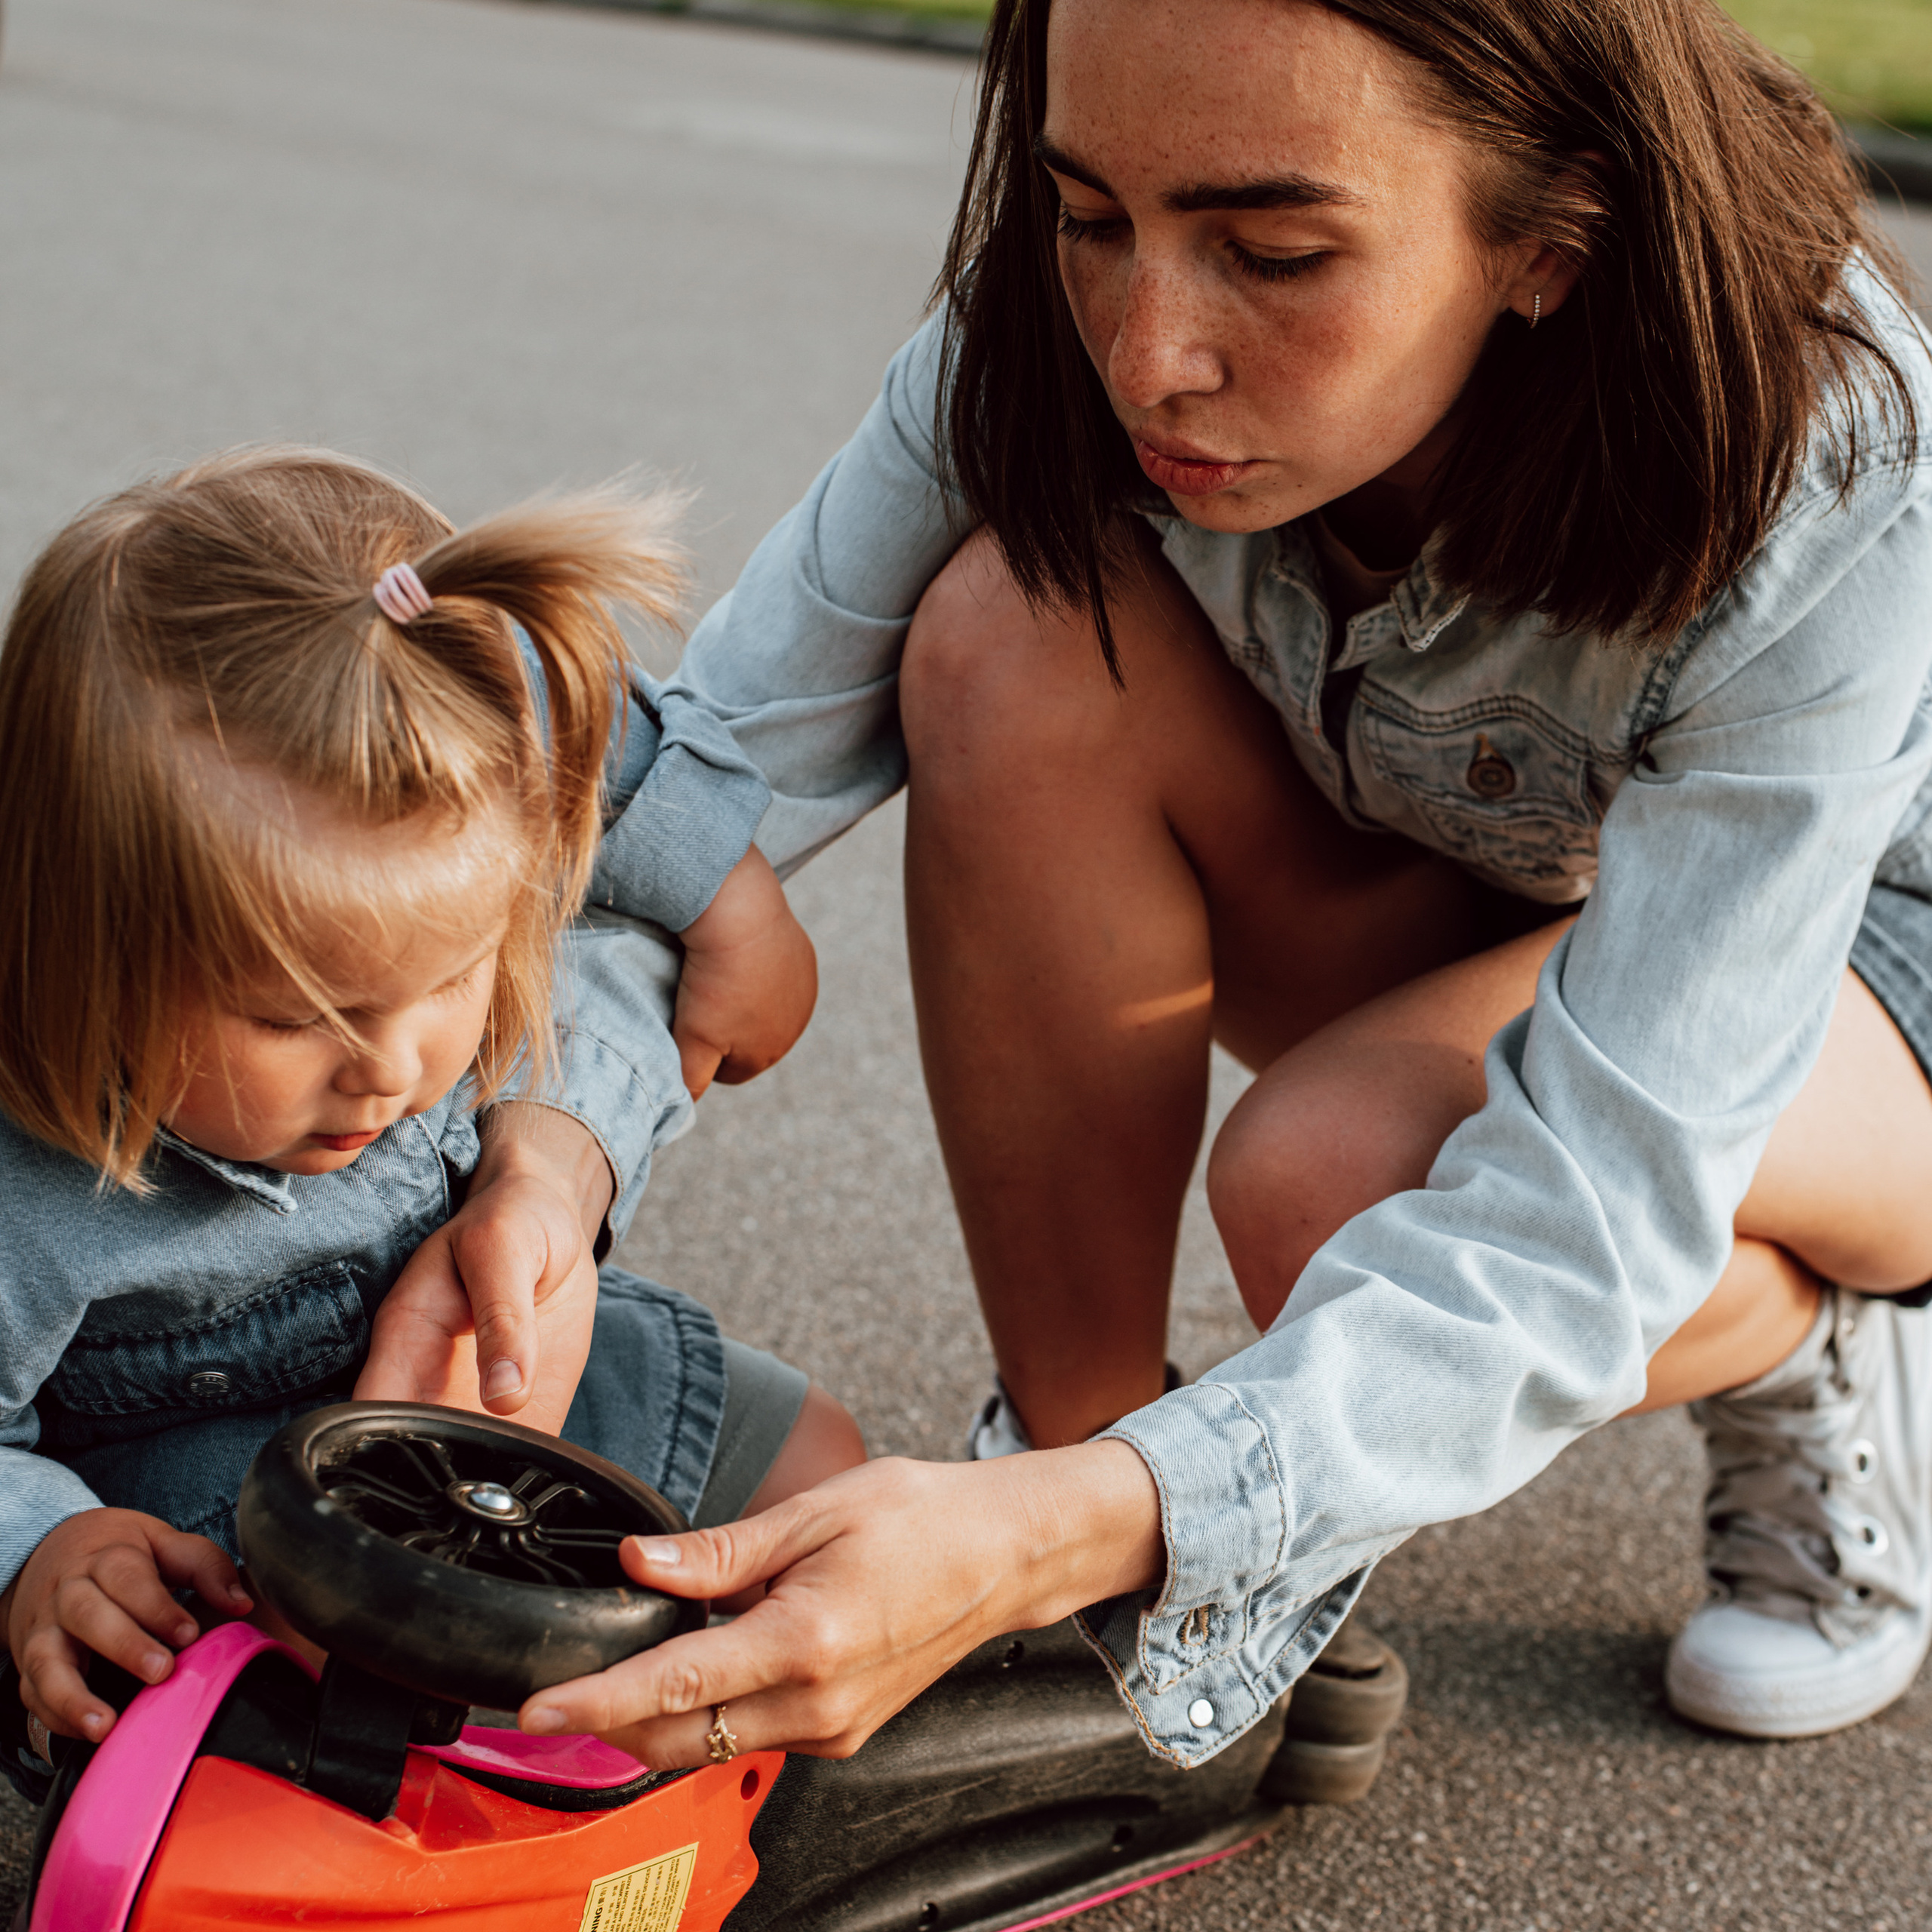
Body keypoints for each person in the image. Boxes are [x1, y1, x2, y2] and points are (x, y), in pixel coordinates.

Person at [517, 0, 1932, 1767]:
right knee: (1009, 631)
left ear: (1552, 243)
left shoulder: (1828, 461)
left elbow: (1587, 1202)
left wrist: (1131, 1508)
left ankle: (1799, 1343)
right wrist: (546, 1154)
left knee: (1334, 1179)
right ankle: (1067, 1466)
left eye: (1270, 252)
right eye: (1090, 216)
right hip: (1472, 861)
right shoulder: (1076, 318)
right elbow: (716, 760)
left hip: (1867, 958)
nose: (1144, 352)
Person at [0, 447, 856, 1771]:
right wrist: (42, 1545)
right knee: (267, 1693)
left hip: (503, 1395)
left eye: (455, 975)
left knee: (823, 1472)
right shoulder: (22, 1186)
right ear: (65, 943)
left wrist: (725, 891)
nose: (394, 1070)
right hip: (222, 1518)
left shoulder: (450, 746)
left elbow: (581, 732)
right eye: (299, 1020)